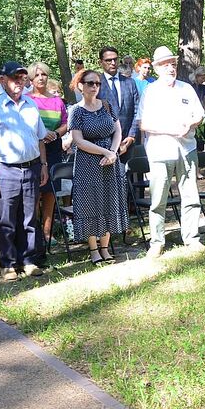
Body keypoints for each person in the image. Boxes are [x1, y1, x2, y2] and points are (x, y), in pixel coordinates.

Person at [0, 61, 48, 281]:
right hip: (6, 170)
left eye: (22, 78)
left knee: (29, 218)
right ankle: (7, 263)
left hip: (31, 167)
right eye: (15, 78)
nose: (19, 82)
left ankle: (28, 260)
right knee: (7, 220)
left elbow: (40, 138)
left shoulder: (31, 105)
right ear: (3, 80)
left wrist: (43, 165)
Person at [136, 46, 205, 258]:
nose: (171, 68)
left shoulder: (186, 88)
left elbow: (200, 114)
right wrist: (170, 130)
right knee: (158, 199)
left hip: (187, 149)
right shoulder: (151, 91)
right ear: (157, 68)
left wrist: (190, 124)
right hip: (160, 151)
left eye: (173, 64)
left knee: (191, 195)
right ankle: (157, 242)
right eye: (166, 65)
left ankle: (192, 238)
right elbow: (144, 124)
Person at [70, 69, 129, 266]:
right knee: (91, 203)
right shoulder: (76, 111)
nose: (94, 86)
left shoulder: (106, 106)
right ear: (80, 86)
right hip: (88, 162)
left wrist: (112, 152)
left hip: (110, 162)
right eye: (90, 83)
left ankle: (105, 248)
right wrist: (104, 152)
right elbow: (78, 140)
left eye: (97, 83)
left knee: (108, 201)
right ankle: (94, 249)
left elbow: (117, 130)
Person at [28, 62, 69, 248]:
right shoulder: (26, 100)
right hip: (33, 150)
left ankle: (47, 232)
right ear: (30, 78)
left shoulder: (56, 101)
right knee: (34, 193)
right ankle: (33, 233)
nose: (41, 78)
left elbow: (66, 123)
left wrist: (57, 133)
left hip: (54, 148)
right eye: (37, 75)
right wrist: (40, 135)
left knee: (50, 192)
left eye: (44, 74)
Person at [95, 46, 141, 158]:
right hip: (103, 144)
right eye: (108, 60)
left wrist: (131, 135)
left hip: (128, 141)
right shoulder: (95, 84)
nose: (113, 63)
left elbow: (137, 110)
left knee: (128, 175)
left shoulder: (130, 83)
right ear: (101, 62)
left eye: (115, 59)